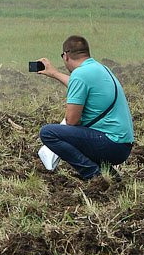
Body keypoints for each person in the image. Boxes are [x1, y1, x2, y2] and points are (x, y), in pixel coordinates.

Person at [33, 35, 134, 179]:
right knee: (78, 134)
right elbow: (80, 84)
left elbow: (72, 121)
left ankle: (94, 175)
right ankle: (111, 175)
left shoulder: (80, 75)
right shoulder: (99, 68)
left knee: (49, 133)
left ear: (66, 56)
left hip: (111, 145)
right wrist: (54, 73)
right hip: (123, 145)